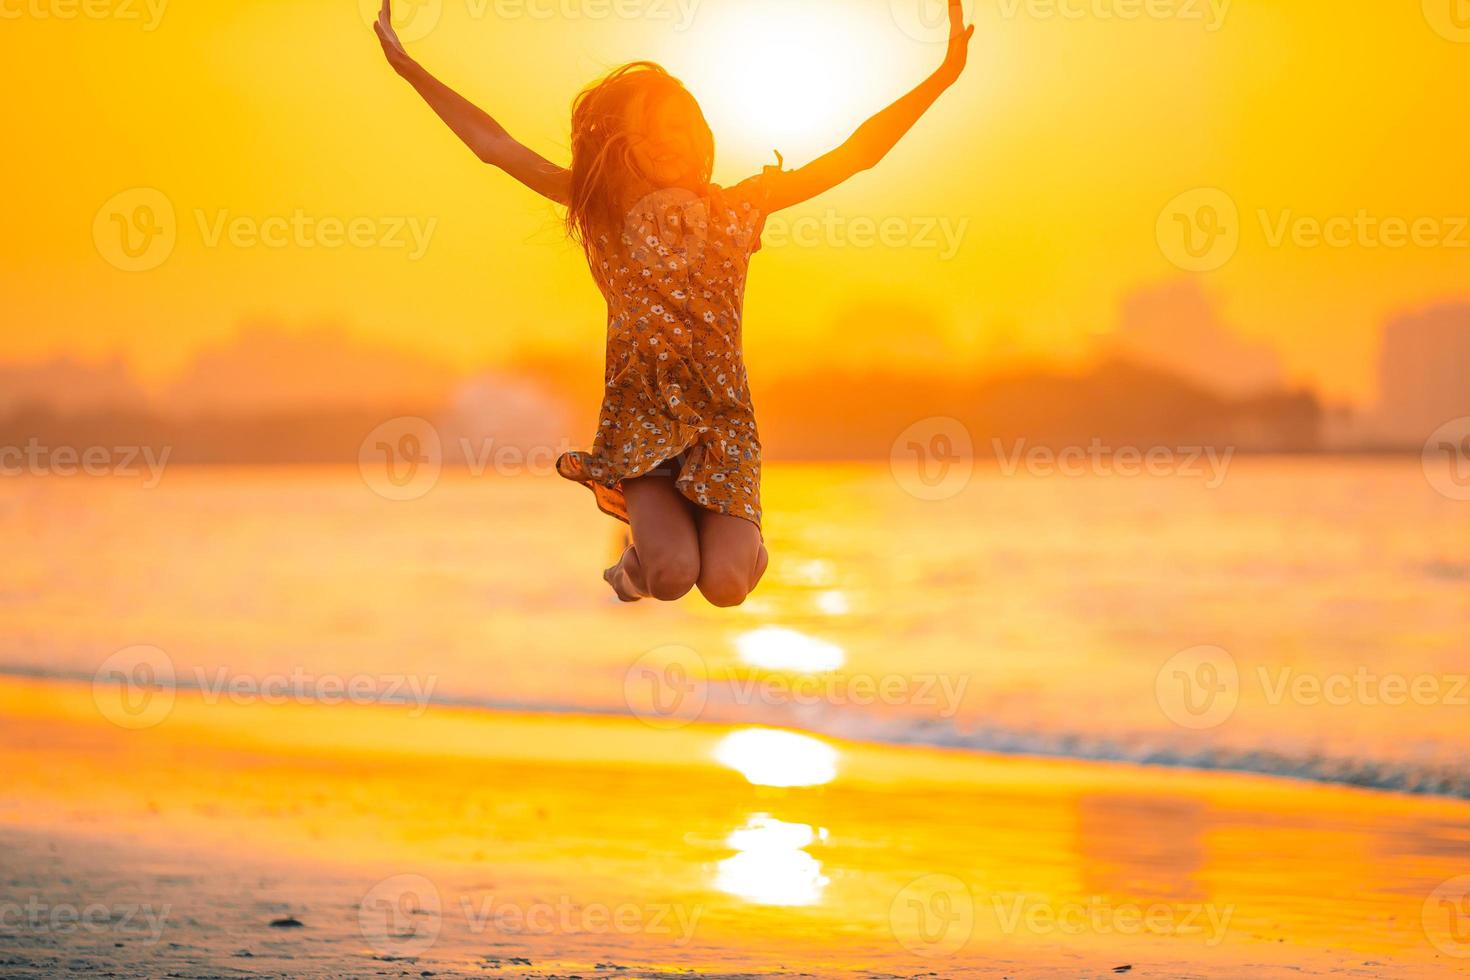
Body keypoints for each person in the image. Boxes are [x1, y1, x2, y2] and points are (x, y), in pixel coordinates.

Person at [374, 0, 973, 605]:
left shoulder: (738, 209)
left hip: (724, 423)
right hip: (641, 421)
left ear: (703, 136)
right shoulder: (600, 207)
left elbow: (858, 153)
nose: (670, 139)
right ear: (624, 139)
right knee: (670, 577)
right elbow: (494, 145)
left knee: (727, 587)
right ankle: (635, 563)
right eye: (652, 126)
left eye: (682, 125)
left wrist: (942, 76)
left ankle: (743, 547)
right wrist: (410, 69)